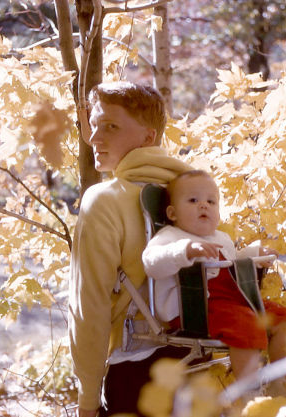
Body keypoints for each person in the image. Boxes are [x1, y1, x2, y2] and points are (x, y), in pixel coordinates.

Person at [68, 81, 193, 417]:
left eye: (110, 126)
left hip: (133, 371)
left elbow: (89, 307)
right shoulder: (194, 193)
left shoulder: (104, 200)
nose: (94, 138)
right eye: (93, 126)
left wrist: (88, 399)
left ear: (148, 137)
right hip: (199, 367)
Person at [142, 170, 286, 381]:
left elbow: (231, 264)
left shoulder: (221, 238)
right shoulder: (170, 236)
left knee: (280, 318)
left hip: (234, 302)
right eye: (193, 200)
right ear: (172, 213)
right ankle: (248, 393)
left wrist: (253, 254)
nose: (203, 205)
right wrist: (185, 251)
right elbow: (151, 263)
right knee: (245, 324)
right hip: (194, 310)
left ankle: (284, 383)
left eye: (211, 201)